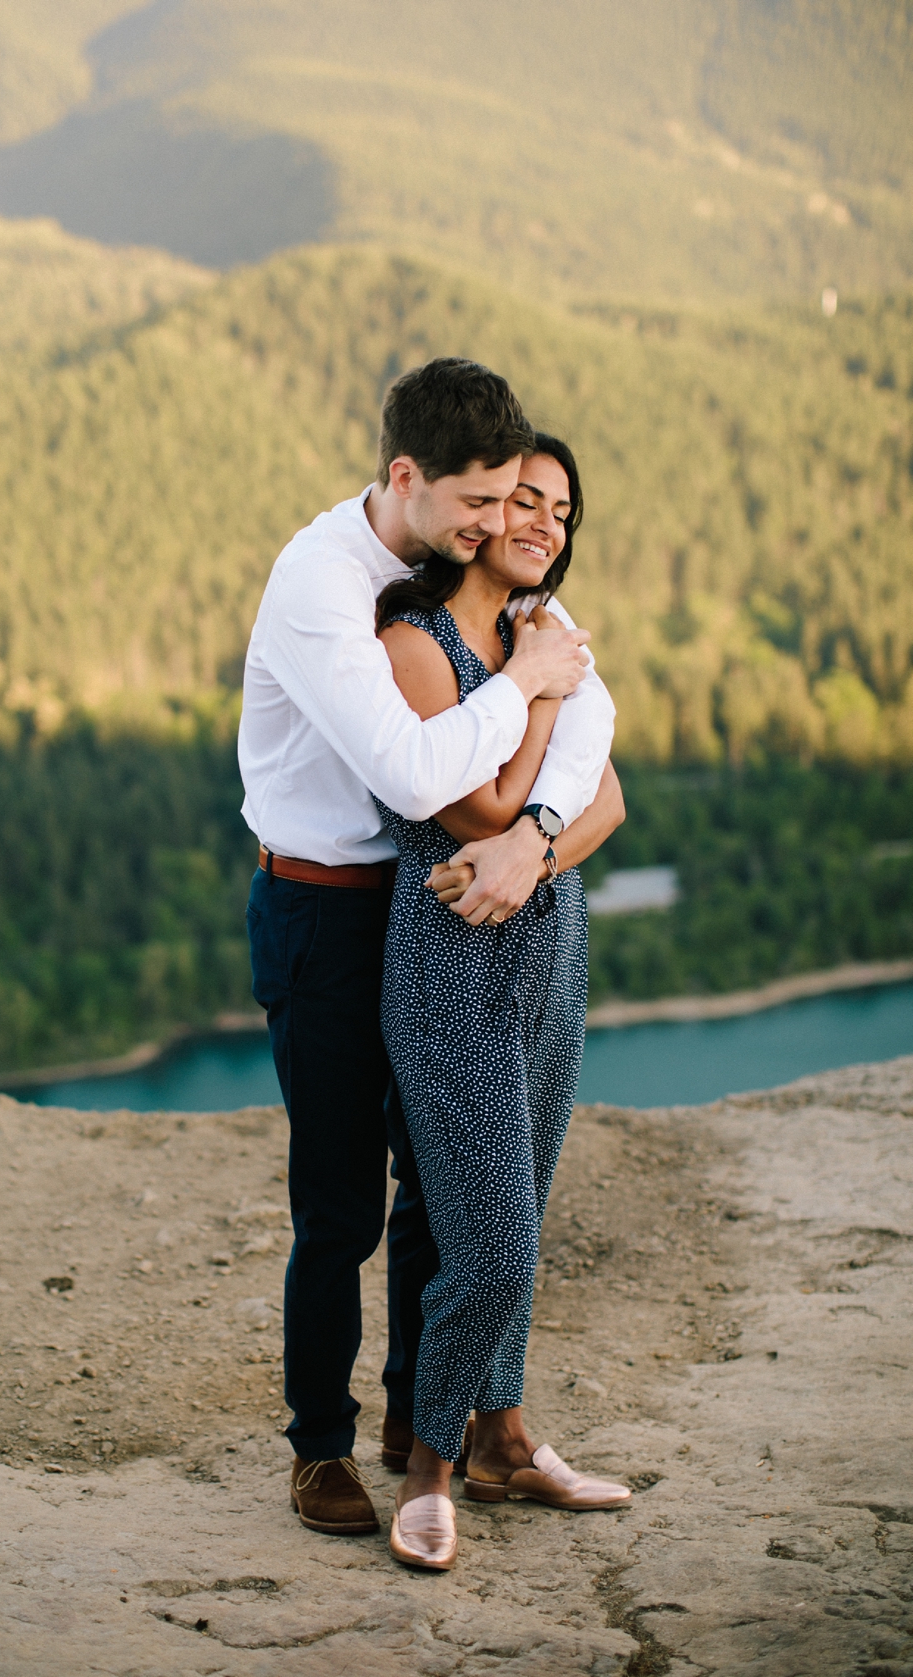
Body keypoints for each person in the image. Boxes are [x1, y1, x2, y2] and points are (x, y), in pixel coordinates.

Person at [237, 357, 612, 1538]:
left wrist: (541, 833)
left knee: (439, 1201)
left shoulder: (463, 581)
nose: (499, 523)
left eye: (514, 500)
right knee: (341, 1202)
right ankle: (318, 1449)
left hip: (427, 907)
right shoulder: (324, 586)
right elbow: (415, 771)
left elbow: (593, 771)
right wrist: (533, 681)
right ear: (405, 477)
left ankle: (422, 1424)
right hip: (325, 907)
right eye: (479, 504)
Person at [372, 435, 632, 1570]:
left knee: (524, 1200)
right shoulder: (415, 640)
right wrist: (535, 693)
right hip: (447, 959)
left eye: (563, 510)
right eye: (526, 500)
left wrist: (534, 858)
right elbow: (476, 807)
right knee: (493, 1245)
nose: (545, 524)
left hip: (548, 949)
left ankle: (504, 1434)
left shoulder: (549, 637)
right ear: (473, 516)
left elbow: (607, 802)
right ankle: (430, 1466)